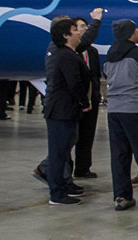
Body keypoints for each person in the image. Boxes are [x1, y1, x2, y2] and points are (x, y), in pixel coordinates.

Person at [103, 19, 138, 211]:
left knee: (119, 155)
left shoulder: (109, 56)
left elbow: (106, 78)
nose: (137, 31)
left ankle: (122, 196)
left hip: (114, 110)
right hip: (136, 109)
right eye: (135, 29)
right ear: (129, 33)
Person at [43, 17, 90, 205]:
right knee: (58, 153)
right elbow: (74, 83)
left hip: (66, 110)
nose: (78, 32)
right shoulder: (65, 56)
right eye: (74, 29)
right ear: (65, 35)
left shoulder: (69, 54)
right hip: (61, 111)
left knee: (63, 151)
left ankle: (63, 185)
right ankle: (56, 193)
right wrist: (84, 101)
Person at [72, 15, 102, 178]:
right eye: (81, 26)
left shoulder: (92, 51)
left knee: (87, 135)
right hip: (76, 101)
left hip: (91, 99)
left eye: (86, 26)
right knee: (70, 137)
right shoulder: (71, 50)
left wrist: (95, 95)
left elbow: (95, 76)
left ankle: (83, 168)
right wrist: (96, 22)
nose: (84, 29)